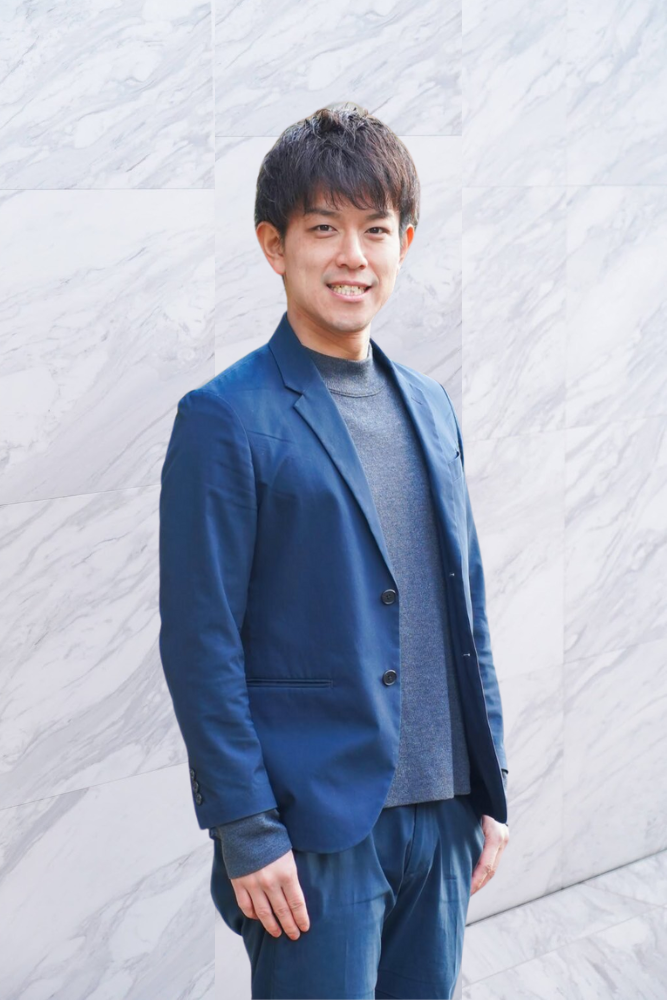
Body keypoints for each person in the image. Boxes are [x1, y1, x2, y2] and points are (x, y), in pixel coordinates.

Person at [158, 102, 509, 1000]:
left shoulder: (429, 404)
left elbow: (464, 605)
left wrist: (489, 784)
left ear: (404, 243)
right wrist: (246, 827)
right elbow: (201, 642)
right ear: (274, 246)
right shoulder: (225, 418)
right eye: (323, 228)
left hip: (443, 813)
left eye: (374, 229)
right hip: (314, 832)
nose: (353, 254)